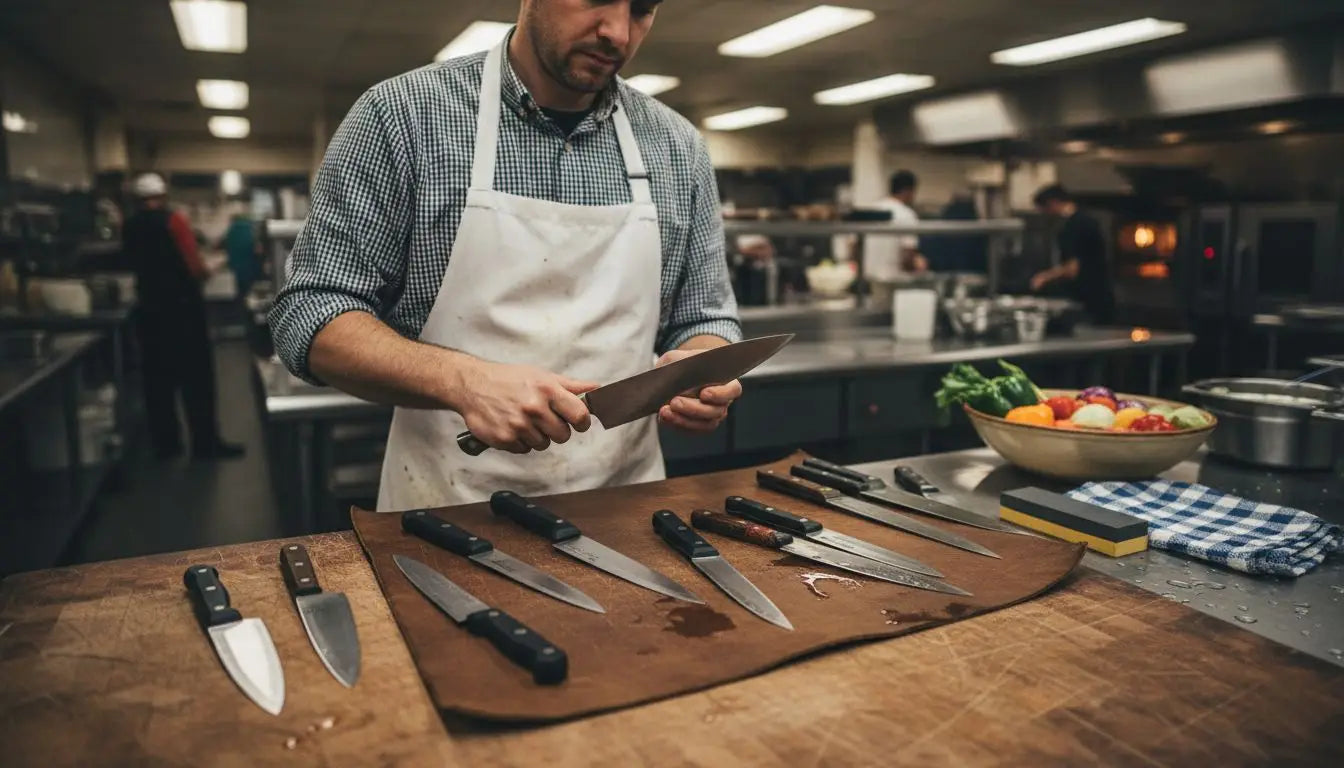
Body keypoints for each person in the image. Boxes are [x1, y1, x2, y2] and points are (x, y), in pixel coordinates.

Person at [269, 0, 743, 511]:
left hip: (625, 504)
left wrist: (699, 366)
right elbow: (310, 314)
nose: (618, 33)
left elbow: (705, 314)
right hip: (448, 510)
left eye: (643, 9)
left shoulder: (677, 147)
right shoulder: (404, 117)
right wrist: (465, 381)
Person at [123, 173, 244, 460]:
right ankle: (205, 443)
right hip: (183, 310)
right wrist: (208, 269)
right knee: (197, 379)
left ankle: (167, 445)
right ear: (162, 195)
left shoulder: (128, 226)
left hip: (150, 312)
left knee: (157, 381)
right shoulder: (174, 220)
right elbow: (194, 266)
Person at [1029, 185, 1115, 324]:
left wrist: (1044, 277)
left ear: (1053, 203)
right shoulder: (1084, 220)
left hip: (1089, 298)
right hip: (1097, 296)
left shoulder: (1076, 225)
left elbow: (1072, 269)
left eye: (1045, 209)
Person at [864, 170, 929, 284]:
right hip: (893, 281)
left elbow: (853, 246)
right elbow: (908, 254)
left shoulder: (872, 209)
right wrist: (918, 265)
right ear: (908, 191)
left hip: (866, 281)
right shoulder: (907, 215)